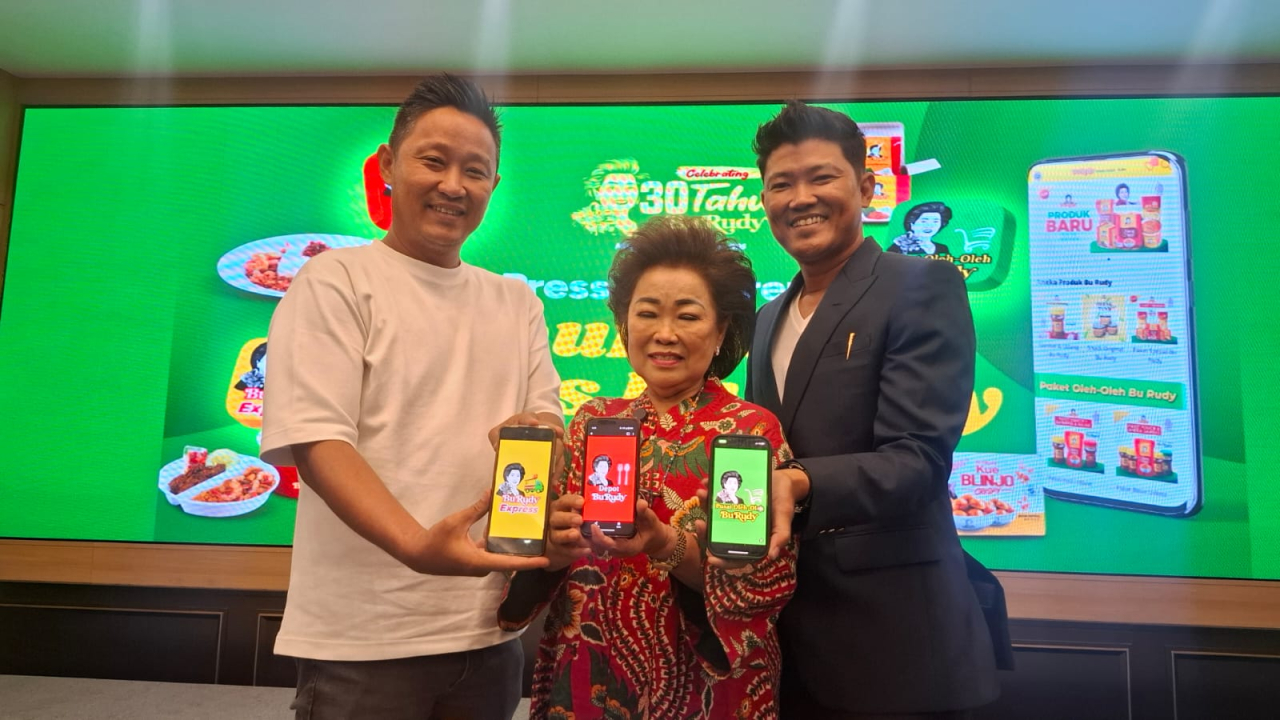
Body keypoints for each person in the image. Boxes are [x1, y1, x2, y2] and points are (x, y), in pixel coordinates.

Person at [259, 74, 561, 720]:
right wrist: (415, 545)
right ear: (389, 166)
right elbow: (318, 442)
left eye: (474, 171)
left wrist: (541, 434)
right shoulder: (336, 281)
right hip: (363, 643)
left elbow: (547, 423)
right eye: (434, 161)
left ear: (494, 185)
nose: (454, 185)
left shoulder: (517, 302)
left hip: (489, 634)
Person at [747, 101, 1010, 719]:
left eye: (822, 177)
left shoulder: (921, 284)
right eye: (781, 184)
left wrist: (798, 481)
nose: (800, 198)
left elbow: (918, 460)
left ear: (867, 188)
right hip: (788, 643)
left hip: (896, 643)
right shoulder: (766, 318)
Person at [499, 215, 797, 719]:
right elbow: (545, 564)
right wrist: (551, 546)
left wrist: (664, 544)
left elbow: (760, 583)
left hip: (703, 685)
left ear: (721, 330)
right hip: (588, 665)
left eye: (688, 316)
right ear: (623, 324)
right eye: (647, 313)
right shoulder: (591, 419)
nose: (664, 334)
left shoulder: (749, 430)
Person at [887, 201, 953, 257]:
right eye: (924, 221)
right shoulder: (899, 247)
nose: (929, 225)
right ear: (912, 224)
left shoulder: (942, 248)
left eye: (935, 221)